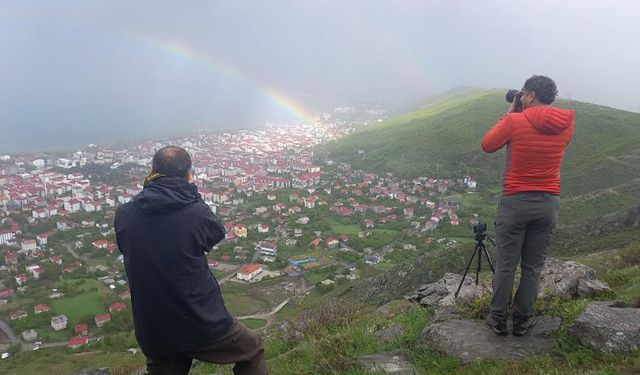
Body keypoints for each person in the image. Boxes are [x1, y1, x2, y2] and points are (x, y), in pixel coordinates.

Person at [115, 146, 267, 375]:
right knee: (251, 349)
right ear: (188, 174)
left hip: (153, 325)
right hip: (199, 318)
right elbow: (214, 234)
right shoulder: (195, 212)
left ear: (152, 171)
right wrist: (191, 192)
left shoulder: (125, 214)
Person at [481, 75, 574, 336]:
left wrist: (510, 112)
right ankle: (523, 320)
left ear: (531, 95)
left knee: (507, 265)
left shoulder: (515, 121)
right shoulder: (566, 125)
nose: (520, 97)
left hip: (515, 201)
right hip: (548, 202)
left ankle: (498, 319)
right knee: (533, 266)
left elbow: (488, 145)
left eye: (523, 94)